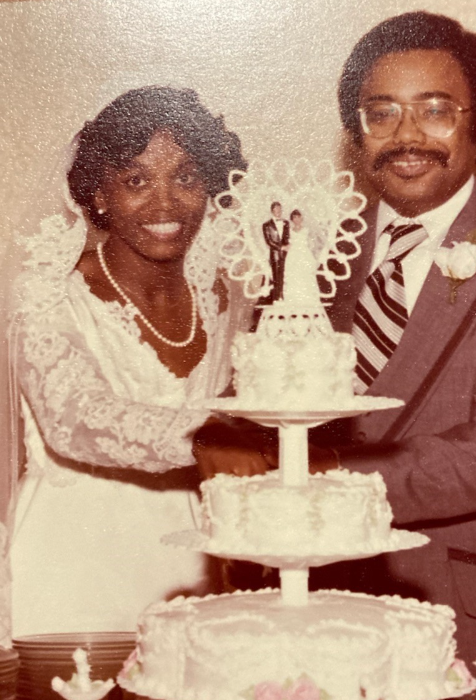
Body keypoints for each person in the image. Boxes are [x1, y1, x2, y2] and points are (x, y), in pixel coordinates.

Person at [194, 12, 476, 700]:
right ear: (356, 131)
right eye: (380, 114)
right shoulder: (306, 258)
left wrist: (312, 483)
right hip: (305, 622)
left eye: (435, 111)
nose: (406, 137)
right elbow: (261, 413)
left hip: (468, 631)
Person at [9, 86, 247, 636]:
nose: (165, 205)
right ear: (98, 194)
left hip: (196, 561)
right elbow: (75, 418)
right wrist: (207, 437)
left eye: (186, 178)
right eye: (137, 181)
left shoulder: (223, 294)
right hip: (76, 568)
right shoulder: (50, 293)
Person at [282, 209, 320, 305]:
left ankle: (308, 299)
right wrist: (285, 247)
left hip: (304, 253)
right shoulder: (289, 230)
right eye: (294, 217)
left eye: (298, 217)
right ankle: (293, 299)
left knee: (305, 273)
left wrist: (310, 253)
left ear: (301, 218)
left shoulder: (306, 230)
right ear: (292, 219)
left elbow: (312, 243)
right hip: (293, 254)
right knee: (293, 274)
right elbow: (287, 242)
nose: (296, 219)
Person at [262, 202, 290, 301]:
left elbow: (288, 237)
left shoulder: (286, 223)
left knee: (286, 275)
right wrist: (281, 248)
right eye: (276, 209)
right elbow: (268, 241)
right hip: (275, 254)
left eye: (280, 209)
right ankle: (277, 298)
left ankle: (286, 297)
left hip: (288, 253)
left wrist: (289, 245)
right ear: (272, 211)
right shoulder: (266, 225)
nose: (278, 211)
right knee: (277, 276)